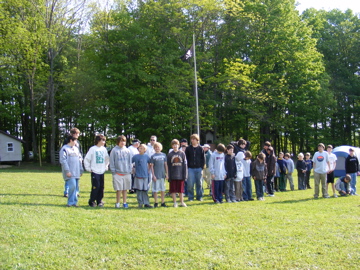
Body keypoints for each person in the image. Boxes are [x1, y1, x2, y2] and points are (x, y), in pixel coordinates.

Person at [84, 134, 109, 207]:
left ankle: (99, 201)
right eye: (103, 140)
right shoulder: (93, 149)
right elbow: (87, 159)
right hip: (95, 171)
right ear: (98, 140)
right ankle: (92, 201)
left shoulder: (104, 149)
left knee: (101, 187)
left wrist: (106, 166)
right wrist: (88, 168)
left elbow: (107, 159)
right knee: (96, 187)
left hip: (102, 171)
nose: (104, 142)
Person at [59, 135, 83, 207]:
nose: (76, 142)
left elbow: (80, 159)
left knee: (75, 187)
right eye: (75, 140)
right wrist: (67, 171)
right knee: (72, 186)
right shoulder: (64, 149)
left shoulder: (76, 149)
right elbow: (63, 161)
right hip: (69, 172)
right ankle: (70, 202)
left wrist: (81, 170)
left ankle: (74, 202)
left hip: (76, 172)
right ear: (71, 140)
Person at [110, 135, 133, 209]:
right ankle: (117, 203)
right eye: (121, 141)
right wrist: (113, 171)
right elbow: (112, 161)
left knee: (125, 189)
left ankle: (125, 202)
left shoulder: (128, 150)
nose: (122, 143)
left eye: (124, 141)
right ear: (118, 142)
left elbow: (130, 161)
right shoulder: (114, 150)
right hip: (117, 173)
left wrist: (130, 170)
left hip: (126, 172)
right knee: (118, 189)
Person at [167, 139, 188, 207]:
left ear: (179, 145)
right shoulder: (170, 154)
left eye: (176, 145)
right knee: (173, 190)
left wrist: (185, 175)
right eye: (173, 145)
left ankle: (182, 202)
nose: (175, 146)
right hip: (173, 175)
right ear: (172, 146)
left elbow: (185, 165)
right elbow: (168, 165)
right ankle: (175, 202)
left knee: (181, 190)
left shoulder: (182, 153)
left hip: (180, 175)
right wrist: (168, 175)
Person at [63, 127, 83, 197]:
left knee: (76, 178)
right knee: (69, 178)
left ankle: (76, 192)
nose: (78, 135)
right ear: (74, 134)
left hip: (76, 162)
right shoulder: (67, 141)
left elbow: (80, 152)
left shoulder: (78, 142)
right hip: (69, 163)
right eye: (77, 134)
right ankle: (67, 192)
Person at [185, 134, 205, 201]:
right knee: (190, 184)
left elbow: (203, 159)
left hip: (199, 168)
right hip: (190, 168)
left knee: (199, 183)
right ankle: (190, 197)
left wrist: (202, 167)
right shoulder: (188, 148)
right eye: (191, 139)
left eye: (194, 139)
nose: (192, 140)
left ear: (197, 140)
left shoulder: (201, 148)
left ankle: (199, 197)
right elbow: (186, 158)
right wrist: (187, 167)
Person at [132, 144, 153, 208]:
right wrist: (133, 170)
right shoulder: (135, 157)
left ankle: (146, 203)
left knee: (145, 189)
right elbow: (131, 163)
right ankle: (140, 203)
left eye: (142, 148)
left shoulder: (146, 156)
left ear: (145, 150)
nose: (140, 149)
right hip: (138, 175)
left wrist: (149, 170)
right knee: (139, 190)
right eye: (139, 148)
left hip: (145, 176)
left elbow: (150, 163)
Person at [150, 142, 168, 207]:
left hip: (162, 175)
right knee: (155, 190)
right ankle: (156, 202)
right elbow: (152, 166)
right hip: (156, 176)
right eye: (155, 147)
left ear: (161, 148)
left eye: (158, 147)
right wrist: (153, 175)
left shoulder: (164, 155)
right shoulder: (153, 156)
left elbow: (165, 165)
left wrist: (167, 174)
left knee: (162, 189)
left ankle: (163, 202)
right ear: (154, 148)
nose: (157, 148)